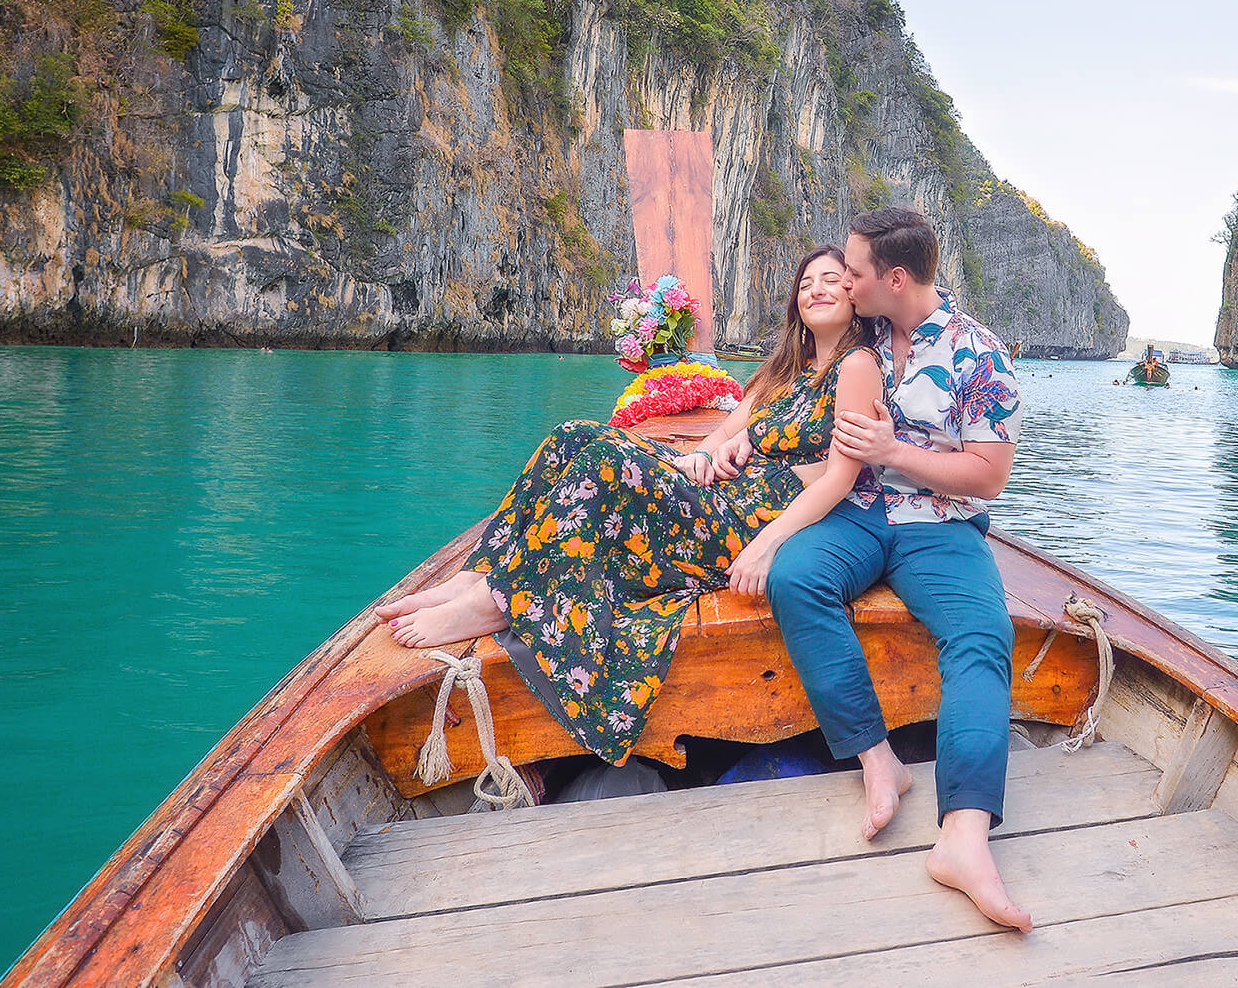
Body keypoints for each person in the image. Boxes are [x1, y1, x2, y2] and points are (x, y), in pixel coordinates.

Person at [374, 246, 880, 765]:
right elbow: (724, 430)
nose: (815, 289)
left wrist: (766, 545)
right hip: (725, 490)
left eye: (831, 279)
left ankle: (494, 602)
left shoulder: (856, 367)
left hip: (753, 518)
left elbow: (837, 480)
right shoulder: (786, 371)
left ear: (855, 291)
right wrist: (707, 453)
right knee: (573, 437)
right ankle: (481, 572)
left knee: (606, 466)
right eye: (805, 282)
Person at [762, 206, 1031, 931]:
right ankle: (877, 758)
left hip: (939, 525)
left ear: (896, 278)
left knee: (982, 637)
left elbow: (988, 477)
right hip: (854, 513)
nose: (843, 282)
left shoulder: (981, 355)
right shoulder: (863, 335)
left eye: (853, 271)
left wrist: (895, 452)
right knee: (795, 579)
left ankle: (965, 838)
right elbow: (786, 384)